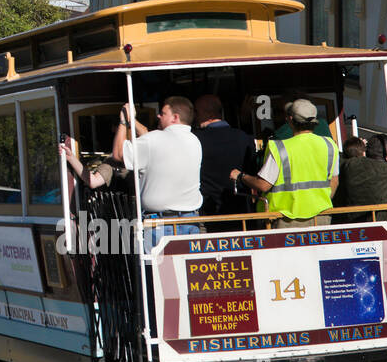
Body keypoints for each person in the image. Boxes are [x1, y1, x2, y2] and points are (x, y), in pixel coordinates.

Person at [231, 98, 337, 228]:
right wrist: (316, 204)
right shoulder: (329, 145)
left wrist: (240, 176)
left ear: (290, 120)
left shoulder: (280, 148)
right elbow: (334, 181)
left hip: (286, 220)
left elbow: (263, 185)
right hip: (321, 217)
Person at [115, 97, 203, 250]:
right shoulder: (194, 141)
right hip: (190, 221)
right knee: (186, 271)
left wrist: (124, 122)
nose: (158, 116)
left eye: (163, 113)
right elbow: (151, 140)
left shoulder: (154, 139)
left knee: (155, 271)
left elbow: (118, 154)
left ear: (175, 117)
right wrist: (133, 120)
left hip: (160, 224)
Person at [191, 94, 258, 232]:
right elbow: (253, 172)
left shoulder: (195, 141)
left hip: (209, 215)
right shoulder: (244, 138)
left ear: (209, 114)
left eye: (196, 111)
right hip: (242, 212)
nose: (194, 116)